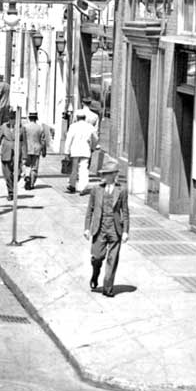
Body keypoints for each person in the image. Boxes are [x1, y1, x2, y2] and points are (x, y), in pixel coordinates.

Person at [84, 159, 129, 297]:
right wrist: (87, 228)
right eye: (104, 173)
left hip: (115, 229)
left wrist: (126, 231)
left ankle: (107, 288)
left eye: (108, 174)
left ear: (114, 174)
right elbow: (90, 210)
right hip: (100, 227)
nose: (105, 176)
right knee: (97, 256)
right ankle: (95, 272)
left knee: (112, 259)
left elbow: (125, 212)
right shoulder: (96, 189)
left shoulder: (121, 190)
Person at [63, 109, 97, 194]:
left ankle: (72, 185)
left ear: (77, 118)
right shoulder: (90, 127)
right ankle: (83, 187)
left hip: (75, 150)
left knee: (74, 169)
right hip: (85, 150)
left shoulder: (73, 126)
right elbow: (95, 138)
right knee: (84, 169)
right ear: (84, 118)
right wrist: (93, 147)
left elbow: (69, 139)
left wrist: (66, 152)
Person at [0, 113, 20, 200]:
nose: (11, 121)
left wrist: (24, 157)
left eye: (13, 119)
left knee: (17, 174)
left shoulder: (20, 127)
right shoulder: (4, 127)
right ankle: (11, 192)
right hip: (6, 153)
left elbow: (24, 143)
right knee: (7, 175)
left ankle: (13, 186)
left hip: (16, 154)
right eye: (10, 119)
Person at [21, 112, 51, 189]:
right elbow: (43, 141)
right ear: (36, 118)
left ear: (29, 118)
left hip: (27, 149)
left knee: (26, 165)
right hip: (37, 149)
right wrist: (44, 151)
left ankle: (27, 175)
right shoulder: (40, 128)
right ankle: (31, 184)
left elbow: (21, 138)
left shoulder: (25, 127)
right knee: (34, 167)